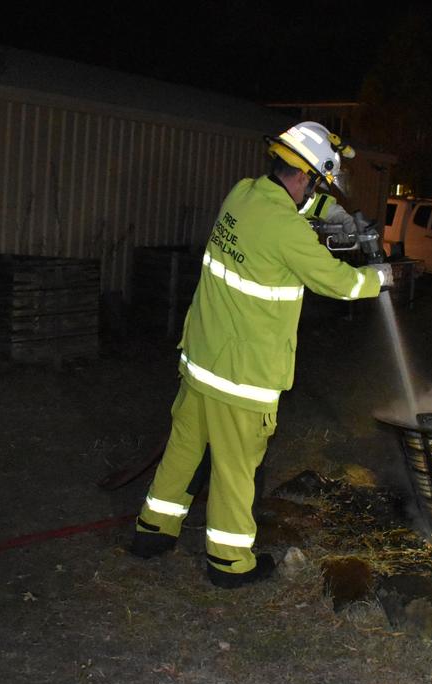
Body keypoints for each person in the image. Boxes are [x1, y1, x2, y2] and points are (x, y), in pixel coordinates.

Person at [129, 121, 394, 588]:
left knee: (183, 450)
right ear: (304, 177)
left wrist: (333, 212)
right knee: (235, 471)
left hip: (201, 359)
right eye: (317, 182)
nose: (315, 190)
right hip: (242, 376)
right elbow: (340, 282)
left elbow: (294, 205)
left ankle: (154, 531)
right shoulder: (287, 232)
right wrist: (384, 278)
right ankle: (229, 563)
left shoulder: (244, 194)